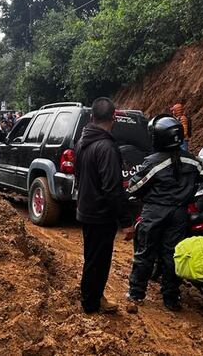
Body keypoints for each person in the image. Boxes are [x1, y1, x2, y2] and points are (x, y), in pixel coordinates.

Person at [125, 115, 201, 311]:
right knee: (171, 255)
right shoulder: (193, 161)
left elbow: (134, 187)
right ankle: (171, 299)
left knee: (145, 252)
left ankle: (136, 293)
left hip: (155, 212)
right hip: (180, 214)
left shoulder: (153, 163)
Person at [75, 97, 135, 314]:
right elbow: (112, 188)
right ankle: (91, 304)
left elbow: (79, 176)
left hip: (86, 209)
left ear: (92, 118)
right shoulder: (107, 148)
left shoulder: (82, 142)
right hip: (101, 215)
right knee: (98, 261)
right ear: (114, 118)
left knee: (93, 259)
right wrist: (126, 222)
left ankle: (94, 296)